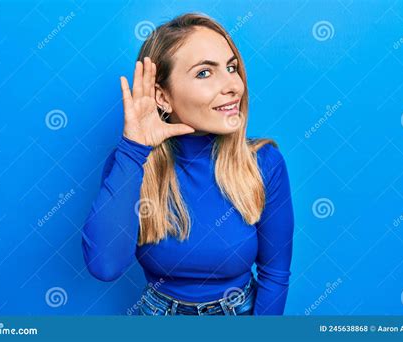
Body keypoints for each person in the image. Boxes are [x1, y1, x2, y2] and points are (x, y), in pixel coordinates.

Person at [81, 12, 294, 316]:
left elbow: (276, 274)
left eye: (231, 67)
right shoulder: (130, 165)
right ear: (163, 97)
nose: (233, 85)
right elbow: (105, 265)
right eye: (205, 73)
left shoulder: (264, 163)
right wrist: (132, 150)